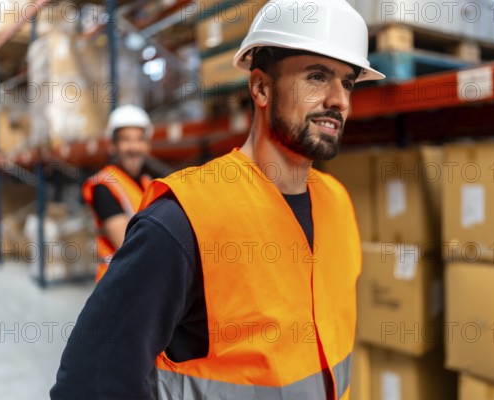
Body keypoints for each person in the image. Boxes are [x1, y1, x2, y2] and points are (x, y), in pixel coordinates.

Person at [51, 0, 385, 398]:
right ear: (261, 87)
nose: (339, 100)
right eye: (317, 77)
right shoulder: (185, 219)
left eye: (347, 82)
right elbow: (88, 384)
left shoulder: (338, 205)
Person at [82, 104, 154, 282]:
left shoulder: (149, 183)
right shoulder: (104, 186)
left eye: (139, 139)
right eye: (125, 140)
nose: (133, 147)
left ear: (147, 145)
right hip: (118, 287)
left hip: (145, 283)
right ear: (113, 146)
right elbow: (128, 246)